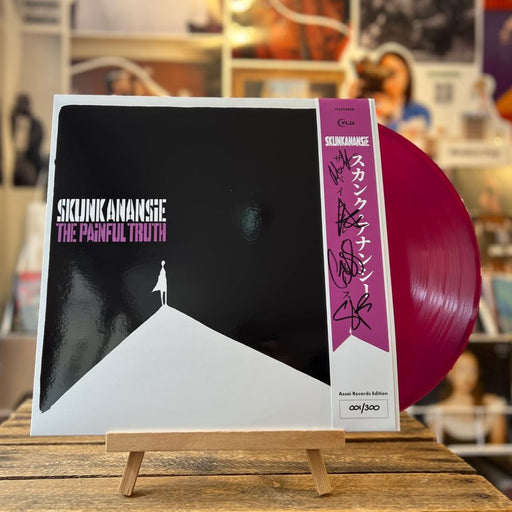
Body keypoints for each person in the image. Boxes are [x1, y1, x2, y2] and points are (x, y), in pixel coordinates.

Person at [426, 350, 507, 445]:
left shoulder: (493, 405)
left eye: (473, 370)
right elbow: (435, 449)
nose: (468, 375)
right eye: (462, 369)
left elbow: (499, 447)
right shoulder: (438, 411)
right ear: (450, 374)